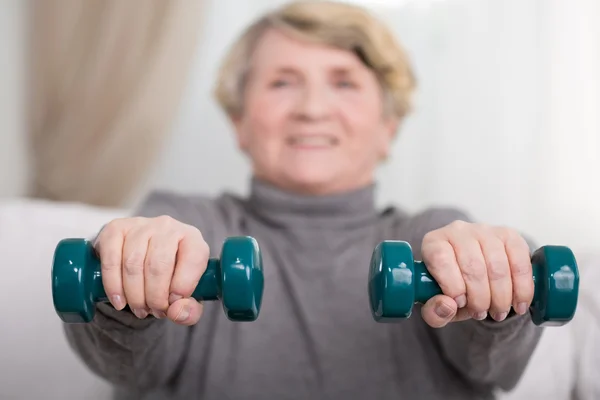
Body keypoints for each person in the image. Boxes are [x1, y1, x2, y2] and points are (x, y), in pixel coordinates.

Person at [63, 1, 542, 399]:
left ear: (387, 126)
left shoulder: (431, 240)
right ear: (239, 122)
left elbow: (493, 364)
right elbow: (124, 367)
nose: (312, 109)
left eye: (345, 82)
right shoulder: (185, 223)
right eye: (281, 82)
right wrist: (128, 273)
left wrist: (496, 288)